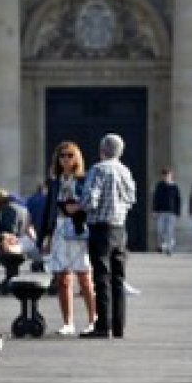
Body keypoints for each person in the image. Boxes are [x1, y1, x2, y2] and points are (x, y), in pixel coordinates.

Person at [77, 133, 136, 340]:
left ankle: (103, 326)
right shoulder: (125, 170)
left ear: (102, 150)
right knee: (118, 278)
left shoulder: (98, 169)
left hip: (100, 228)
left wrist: (80, 206)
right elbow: (131, 198)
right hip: (119, 229)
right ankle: (119, 327)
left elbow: (90, 199)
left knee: (101, 277)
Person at [41, 142, 95, 335]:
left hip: (79, 229)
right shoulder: (54, 181)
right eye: (62, 155)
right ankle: (68, 322)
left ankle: (92, 319)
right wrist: (45, 236)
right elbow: (49, 209)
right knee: (63, 278)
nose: (65, 159)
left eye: (70, 155)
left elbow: (92, 202)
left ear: (76, 158)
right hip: (60, 228)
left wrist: (79, 207)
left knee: (84, 276)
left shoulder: (84, 179)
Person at [151, 167, 181, 255]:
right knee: (160, 230)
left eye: (168, 175)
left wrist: (178, 212)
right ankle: (162, 245)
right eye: (165, 175)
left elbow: (178, 200)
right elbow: (155, 198)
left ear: (171, 176)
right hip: (161, 211)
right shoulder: (159, 185)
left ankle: (170, 248)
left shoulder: (175, 187)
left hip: (171, 212)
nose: (166, 177)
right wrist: (154, 210)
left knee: (170, 230)